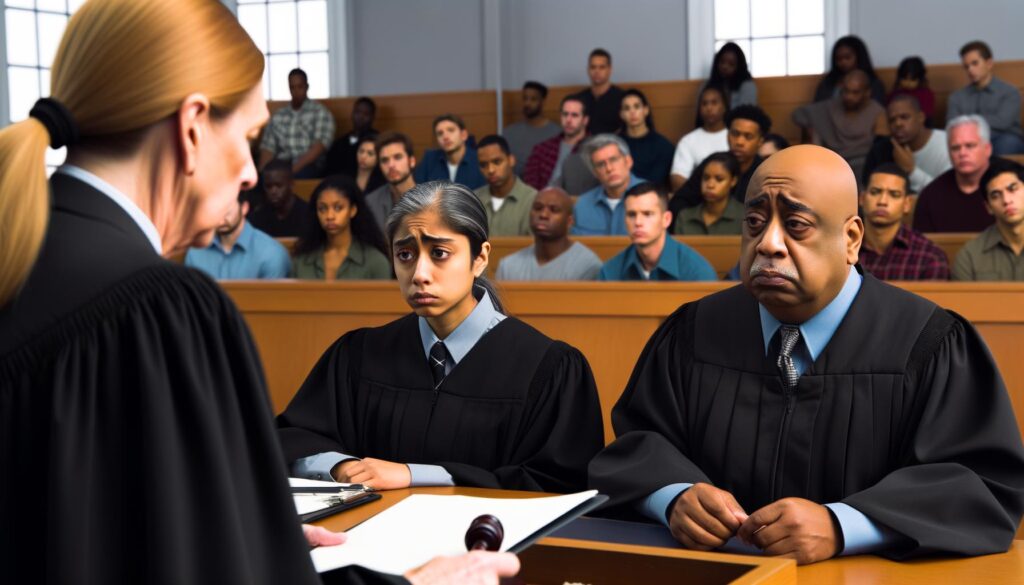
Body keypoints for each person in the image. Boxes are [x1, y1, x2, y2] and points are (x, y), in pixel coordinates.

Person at [0, 1, 520, 583]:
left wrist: (238, 532)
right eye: (249, 136)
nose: (251, 171)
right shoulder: (161, 309)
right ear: (191, 125)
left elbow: (81, 524)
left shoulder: (21, 258)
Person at [589, 145, 1024, 564]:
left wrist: (843, 525)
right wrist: (673, 496)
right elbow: (636, 446)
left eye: (795, 225)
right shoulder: (694, 331)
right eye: (755, 222)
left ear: (852, 238)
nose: (768, 244)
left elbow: (979, 485)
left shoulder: (927, 341)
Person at [278, 181, 605, 493]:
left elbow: (558, 484)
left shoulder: (548, 367)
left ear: (480, 258)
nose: (419, 274)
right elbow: (295, 438)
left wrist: (413, 475)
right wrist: (341, 467)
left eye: (439, 253)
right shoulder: (358, 355)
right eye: (405, 254)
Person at [599, 182, 716, 281]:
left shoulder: (697, 272)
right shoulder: (610, 271)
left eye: (647, 214)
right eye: (631, 214)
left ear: (666, 219)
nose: (638, 222)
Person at [671, 105, 771, 219]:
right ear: (727, 135)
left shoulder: (765, 172)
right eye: (735, 134)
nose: (739, 142)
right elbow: (679, 202)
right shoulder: (714, 163)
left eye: (748, 136)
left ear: (760, 141)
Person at [291, 175, 392, 281]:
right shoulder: (301, 261)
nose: (330, 216)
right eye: (322, 208)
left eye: (338, 208)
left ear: (352, 210)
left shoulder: (376, 262)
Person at [858, 164, 950, 280]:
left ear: (907, 204)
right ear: (862, 198)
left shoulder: (929, 257)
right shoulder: (842, 250)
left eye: (894, 195)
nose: (882, 201)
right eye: (875, 192)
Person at [793, 70, 885, 182]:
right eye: (845, 91)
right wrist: (811, 131)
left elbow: (881, 147)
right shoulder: (832, 106)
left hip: (862, 163)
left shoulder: (877, 112)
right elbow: (800, 114)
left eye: (855, 92)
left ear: (867, 92)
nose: (848, 96)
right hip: (832, 162)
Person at [496, 187, 603, 281]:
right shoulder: (507, 267)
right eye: (538, 208)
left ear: (569, 221)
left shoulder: (588, 266)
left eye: (554, 210)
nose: (543, 214)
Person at [913, 115, 994, 233]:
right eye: (955, 148)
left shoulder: (1011, 187)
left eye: (970, 146)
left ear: (987, 149)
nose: (962, 153)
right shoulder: (931, 195)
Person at [185, 191, 291, 279]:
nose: (221, 217)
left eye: (227, 209)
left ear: (244, 208)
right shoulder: (195, 251)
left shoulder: (271, 253)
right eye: (215, 209)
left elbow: (272, 302)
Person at [947, 41, 1024, 156]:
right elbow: (952, 124)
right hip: (968, 140)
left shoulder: (1010, 92)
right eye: (966, 66)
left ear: (989, 63)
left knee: (1007, 144)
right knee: (956, 146)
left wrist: (968, 119)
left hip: (1003, 138)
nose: (970, 70)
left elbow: (1003, 122)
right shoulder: (957, 97)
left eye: (975, 63)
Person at [861, 94, 951, 193]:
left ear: (921, 117)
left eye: (904, 117)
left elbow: (948, 197)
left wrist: (911, 171)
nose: (898, 124)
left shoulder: (947, 144)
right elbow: (869, 192)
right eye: (892, 120)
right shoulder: (880, 150)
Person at [952, 158, 1024, 280]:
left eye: (1012, 189)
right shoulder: (970, 256)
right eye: (995, 195)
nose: (1006, 200)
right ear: (988, 207)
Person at [259, 67, 335, 178]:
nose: (296, 91)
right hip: (282, 163)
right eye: (292, 87)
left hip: (308, 165)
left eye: (300, 87)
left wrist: (291, 171)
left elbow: (319, 147)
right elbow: (268, 147)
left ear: (307, 87)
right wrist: (263, 173)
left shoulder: (320, 112)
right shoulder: (279, 115)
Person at [522, 95, 598, 195]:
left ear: (585, 120)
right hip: (542, 203)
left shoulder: (595, 150)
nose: (568, 120)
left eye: (574, 115)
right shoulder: (542, 148)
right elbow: (529, 185)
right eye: (565, 114)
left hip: (576, 204)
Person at [573, 134, 643, 235]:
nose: (609, 168)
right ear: (594, 172)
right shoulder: (582, 205)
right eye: (601, 164)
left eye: (613, 160)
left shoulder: (651, 197)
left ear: (628, 161)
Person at [472, 135, 537, 237]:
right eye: (484, 165)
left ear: (511, 160)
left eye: (497, 162)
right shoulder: (473, 199)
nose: (490, 170)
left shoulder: (532, 199)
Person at [670, 84, 730, 192]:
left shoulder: (734, 137)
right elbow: (677, 178)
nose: (709, 108)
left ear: (724, 106)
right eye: (704, 104)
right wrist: (704, 192)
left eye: (714, 103)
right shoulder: (688, 141)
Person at [674, 152, 745, 236]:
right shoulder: (685, 217)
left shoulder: (745, 217)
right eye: (706, 178)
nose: (710, 185)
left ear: (733, 181)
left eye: (719, 179)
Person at [618, 88, 674, 187]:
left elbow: (658, 181)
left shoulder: (663, 146)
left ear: (645, 110)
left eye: (636, 106)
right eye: (627, 108)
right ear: (621, 114)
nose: (632, 112)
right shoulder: (615, 145)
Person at [365, 131, 417, 237]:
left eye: (397, 157)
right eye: (384, 160)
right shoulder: (370, 203)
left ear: (411, 161)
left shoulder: (432, 200)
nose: (391, 165)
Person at [503, 81, 561, 176]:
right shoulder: (509, 133)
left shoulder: (556, 133)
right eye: (525, 98)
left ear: (543, 101)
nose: (527, 103)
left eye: (533, 99)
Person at [415, 114, 485, 189]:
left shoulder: (479, 159)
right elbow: (418, 191)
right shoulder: (429, 159)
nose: (445, 137)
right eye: (440, 133)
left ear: (463, 135)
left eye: (451, 130)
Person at [248, 158, 312, 237]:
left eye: (279, 186)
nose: (273, 191)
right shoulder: (257, 217)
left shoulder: (308, 215)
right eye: (268, 186)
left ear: (291, 184)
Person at [814, 35, 885, 104]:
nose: (843, 62)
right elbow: (817, 108)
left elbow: (877, 109)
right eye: (838, 59)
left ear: (859, 57)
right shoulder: (828, 84)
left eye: (847, 57)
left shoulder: (873, 84)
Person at [571, 48, 626, 136]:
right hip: (584, 147)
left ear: (610, 70)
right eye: (593, 67)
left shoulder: (623, 99)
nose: (597, 71)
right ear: (588, 70)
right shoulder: (578, 100)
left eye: (602, 67)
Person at [325, 96, 378, 178]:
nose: (360, 117)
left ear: (373, 117)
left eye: (366, 114)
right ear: (352, 114)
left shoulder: (377, 140)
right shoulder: (340, 143)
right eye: (357, 112)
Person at [700, 42, 757, 110]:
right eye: (722, 62)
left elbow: (746, 114)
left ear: (739, 66)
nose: (725, 67)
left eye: (731, 64)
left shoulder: (747, 86)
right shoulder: (707, 85)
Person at [887, 56, 935, 122]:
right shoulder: (894, 95)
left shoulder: (926, 94)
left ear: (920, 79)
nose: (908, 83)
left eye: (912, 80)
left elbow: (927, 118)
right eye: (904, 79)